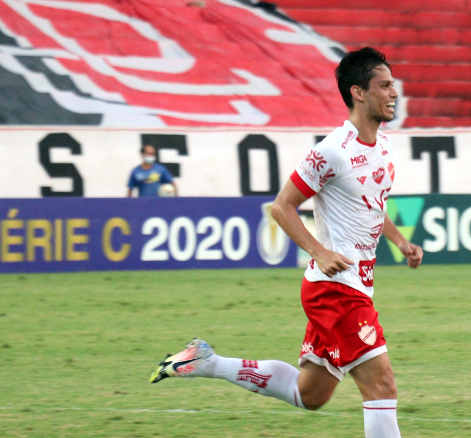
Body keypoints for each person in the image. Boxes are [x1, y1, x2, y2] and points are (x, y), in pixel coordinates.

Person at [148, 47, 423, 437]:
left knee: (310, 393)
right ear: (358, 92)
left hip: (353, 285)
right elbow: (282, 207)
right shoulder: (332, 151)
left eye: (393, 85)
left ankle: (209, 362)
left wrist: (399, 241)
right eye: (384, 86)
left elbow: (372, 206)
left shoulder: (380, 147)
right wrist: (320, 251)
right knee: (381, 386)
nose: (393, 93)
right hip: (337, 290)